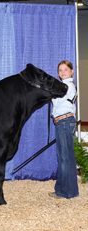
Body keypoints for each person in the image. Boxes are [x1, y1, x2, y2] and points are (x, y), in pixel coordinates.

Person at [49, 60, 79, 199]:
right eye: (60, 70)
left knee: (65, 158)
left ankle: (68, 192)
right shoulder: (65, 86)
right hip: (62, 122)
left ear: (72, 71)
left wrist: (51, 92)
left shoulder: (68, 86)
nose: (62, 72)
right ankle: (61, 190)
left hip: (65, 121)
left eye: (65, 69)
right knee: (62, 157)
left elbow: (57, 101)